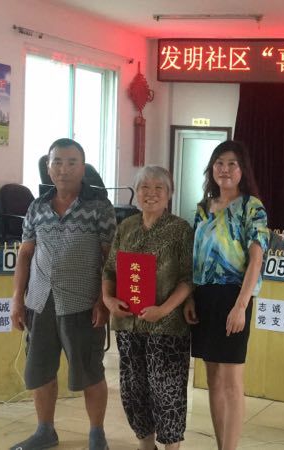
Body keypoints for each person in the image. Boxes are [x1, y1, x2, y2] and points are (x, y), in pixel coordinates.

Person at [9, 138, 116, 450]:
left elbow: (110, 259)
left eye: (71, 162)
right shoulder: (37, 207)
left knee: (90, 371)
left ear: (83, 168)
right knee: (41, 369)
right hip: (40, 301)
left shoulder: (99, 208)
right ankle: (45, 431)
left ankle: (97, 434)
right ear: (48, 167)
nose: (63, 169)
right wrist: (17, 298)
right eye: (57, 162)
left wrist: (103, 300)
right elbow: (25, 255)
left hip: (82, 303)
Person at [101, 166, 194, 449]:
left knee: (167, 391)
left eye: (158, 188)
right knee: (133, 390)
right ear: (136, 193)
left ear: (169, 194)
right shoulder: (126, 227)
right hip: (128, 323)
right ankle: (145, 445)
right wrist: (108, 300)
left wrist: (163, 310)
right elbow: (110, 270)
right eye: (144, 187)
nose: (151, 193)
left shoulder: (180, 230)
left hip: (167, 326)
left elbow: (189, 279)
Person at [188, 140, 269, 450]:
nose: (225, 169)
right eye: (219, 163)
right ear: (212, 169)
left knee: (232, 381)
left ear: (242, 169)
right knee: (212, 379)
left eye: (232, 163)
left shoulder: (252, 206)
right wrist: (191, 297)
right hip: (204, 297)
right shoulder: (202, 208)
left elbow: (256, 259)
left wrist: (241, 306)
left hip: (235, 296)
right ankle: (222, 444)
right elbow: (195, 257)